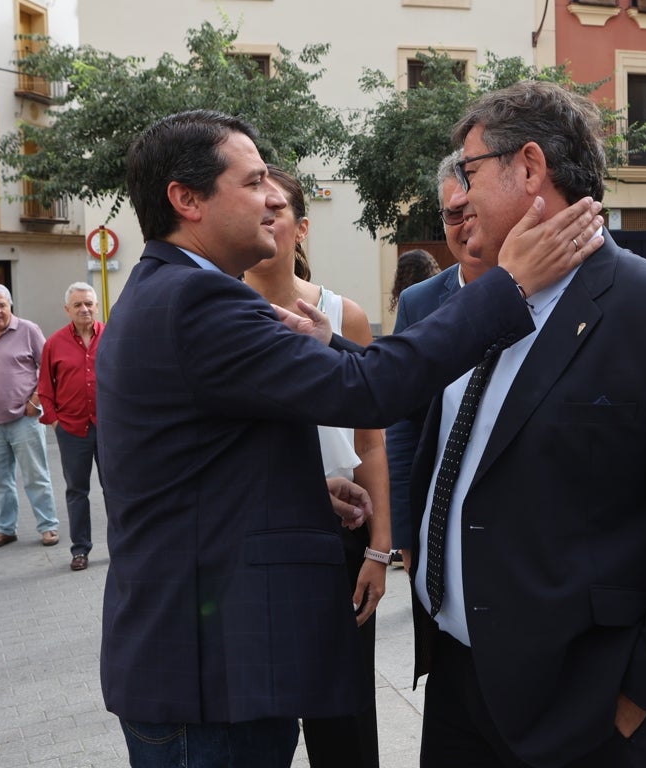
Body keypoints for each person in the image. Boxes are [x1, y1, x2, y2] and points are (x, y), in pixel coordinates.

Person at [95, 109, 601, 768]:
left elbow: (189, 464)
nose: (271, 200)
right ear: (185, 199)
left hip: (201, 669)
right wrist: (510, 285)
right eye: (252, 184)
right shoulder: (199, 303)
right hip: (211, 683)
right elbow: (372, 391)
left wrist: (298, 489)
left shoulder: (172, 292)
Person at [407, 80, 646, 768]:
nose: (455, 195)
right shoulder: (478, 305)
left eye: (469, 171)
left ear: (532, 168)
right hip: (456, 679)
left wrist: (639, 695)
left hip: (581, 705)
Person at [243, 165, 388, 768]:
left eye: (279, 207)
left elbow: (371, 440)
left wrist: (382, 546)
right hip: (257, 537)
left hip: (343, 536)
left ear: (301, 228)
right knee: (260, 717)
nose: (266, 215)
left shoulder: (342, 315)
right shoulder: (222, 314)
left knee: (346, 724)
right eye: (257, 203)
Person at [385, 151, 494, 573]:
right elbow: (403, 423)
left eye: (474, 211)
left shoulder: (542, 290)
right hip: (438, 526)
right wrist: (404, 531)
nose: (466, 226)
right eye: (453, 214)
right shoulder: (420, 302)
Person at [0, 284, 60, 550]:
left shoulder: (28, 330)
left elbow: (48, 367)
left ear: (10, 305)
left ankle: (48, 526)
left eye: (2, 305)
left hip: (24, 419)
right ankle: (5, 529)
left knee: (35, 476)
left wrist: (36, 400)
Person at [38, 282, 104, 572]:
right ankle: (80, 550)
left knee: (115, 489)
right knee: (77, 492)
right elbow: (44, 388)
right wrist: (54, 422)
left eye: (88, 303)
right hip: (73, 429)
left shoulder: (113, 336)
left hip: (110, 428)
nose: (84, 309)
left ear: (97, 306)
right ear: (67, 310)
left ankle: (121, 545)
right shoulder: (54, 343)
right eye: (77, 305)